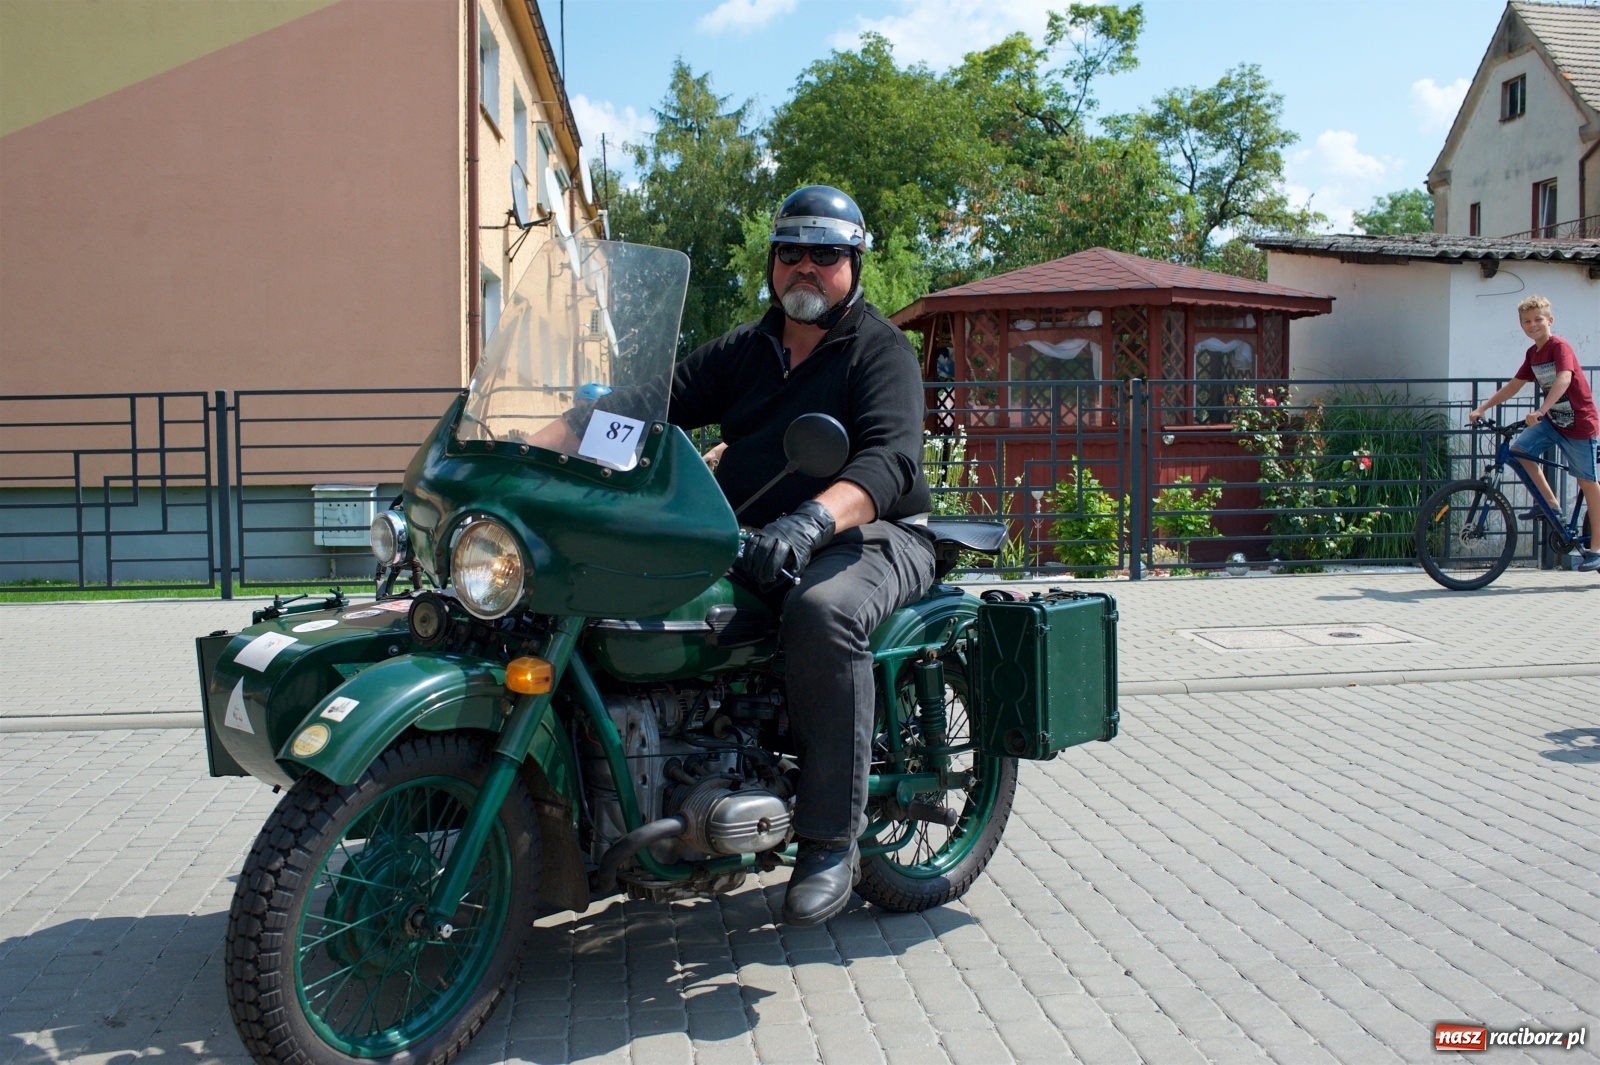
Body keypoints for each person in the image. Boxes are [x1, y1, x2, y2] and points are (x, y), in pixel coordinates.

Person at [667, 185, 935, 925]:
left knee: (822, 612)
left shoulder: (881, 350)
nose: (805, 269)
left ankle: (829, 837)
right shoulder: (743, 351)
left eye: (825, 255)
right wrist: (539, 438)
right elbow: (651, 401)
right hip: (755, 538)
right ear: (772, 263)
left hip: (877, 536)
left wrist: (812, 519)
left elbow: (890, 462)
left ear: (853, 264)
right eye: (791, 253)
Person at [1469, 295, 1600, 572]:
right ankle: (1551, 506)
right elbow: (1514, 386)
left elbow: (1564, 378)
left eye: (1538, 319)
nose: (1533, 325)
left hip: (1579, 424)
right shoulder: (1533, 354)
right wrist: (1482, 408)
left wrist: (1542, 409)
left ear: (1549, 320)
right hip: (1553, 423)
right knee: (1519, 451)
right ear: (1521, 326)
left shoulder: (1558, 347)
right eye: (1527, 321)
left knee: (1588, 483)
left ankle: (1597, 549)